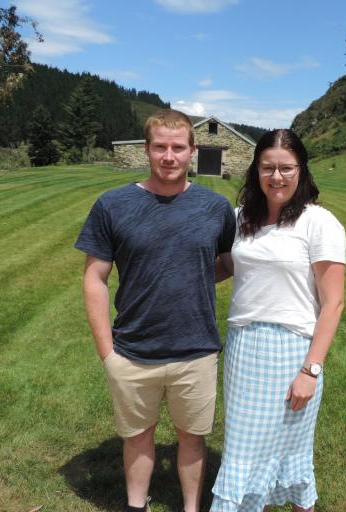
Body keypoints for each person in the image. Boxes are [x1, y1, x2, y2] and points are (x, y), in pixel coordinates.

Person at [75, 109, 235, 512]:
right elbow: (95, 278)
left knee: (192, 437)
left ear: (192, 151)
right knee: (138, 436)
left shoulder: (215, 208)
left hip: (196, 350)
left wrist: (190, 277)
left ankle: (191, 507)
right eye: (160, 147)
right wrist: (106, 352)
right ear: (146, 149)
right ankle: (135, 505)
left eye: (178, 147)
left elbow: (229, 264)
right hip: (132, 349)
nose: (169, 156)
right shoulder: (113, 205)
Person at [211, 129, 346, 511]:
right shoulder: (242, 219)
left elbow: (333, 303)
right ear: (256, 170)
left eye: (287, 168)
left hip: (292, 353)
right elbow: (225, 268)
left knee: (291, 450)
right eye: (268, 167)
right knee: (243, 447)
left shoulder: (318, 222)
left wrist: (311, 370)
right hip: (243, 347)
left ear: (302, 171)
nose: (277, 177)